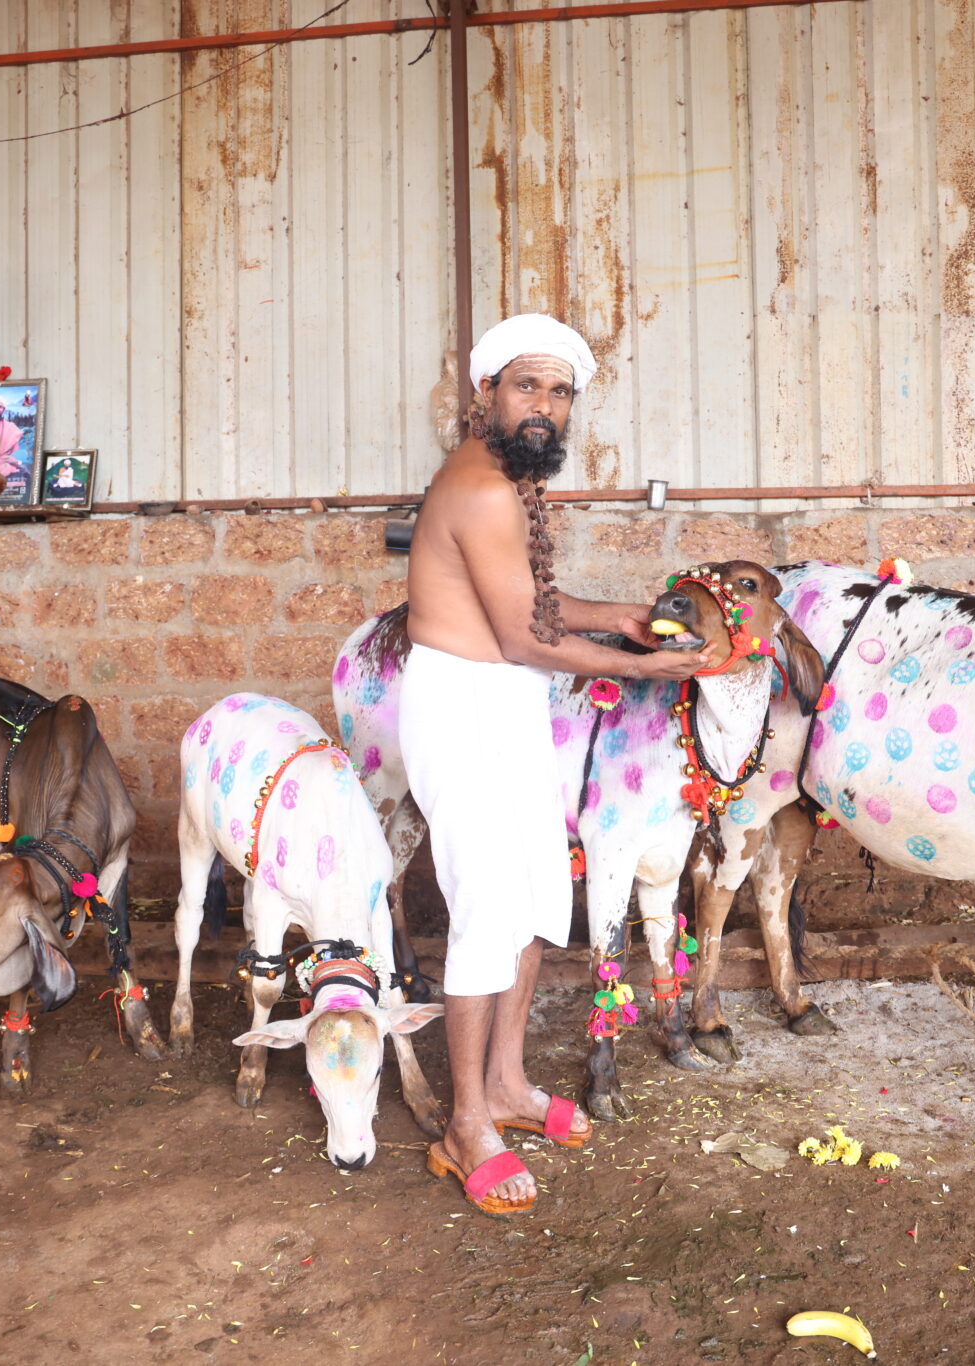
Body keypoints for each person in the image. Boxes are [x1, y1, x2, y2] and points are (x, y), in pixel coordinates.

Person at [401, 314, 713, 1215]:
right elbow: (521, 637)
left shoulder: (511, 477)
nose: (542, 405)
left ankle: (504, 1085)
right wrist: (644, 667)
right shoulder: (483, 487)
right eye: (525, 386)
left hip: (506, 702)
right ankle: (465, 1126)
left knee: (537, 893)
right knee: (485, 910)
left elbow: (530, 601)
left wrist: (616, 616)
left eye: (559, 391)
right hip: (464, 705)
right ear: (487, 392)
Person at [0, 401, 25, 477]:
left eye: (0, 407)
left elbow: (16, 451)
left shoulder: (11, 427)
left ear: (3, 410)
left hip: (6, 462)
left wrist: (16, 461)